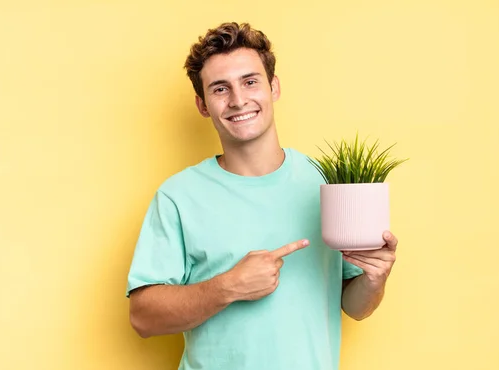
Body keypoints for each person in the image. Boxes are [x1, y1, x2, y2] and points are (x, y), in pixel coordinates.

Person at [126, 22, 398, 370]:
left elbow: (356, 306)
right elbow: (143, 318)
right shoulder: (177, 196)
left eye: (250, 81)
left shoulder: (327, 182)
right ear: (203, 105)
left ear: (274, 87)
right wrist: (229, 286)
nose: (238, 100)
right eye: (220, 89)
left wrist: (375, 279)